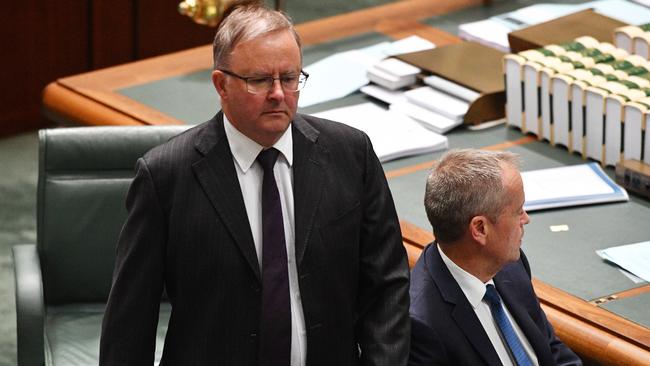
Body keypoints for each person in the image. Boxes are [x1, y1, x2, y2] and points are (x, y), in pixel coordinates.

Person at [99, 1, 410, 365]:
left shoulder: (350, 154)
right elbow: (130, 320)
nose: (278, 93)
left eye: (290, 78)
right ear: (221, 84)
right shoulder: (166, 176)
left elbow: (388, 283)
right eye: (260, 80)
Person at [409, 149, 581, 366]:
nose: (526, 219)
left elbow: (550, 349)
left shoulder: (510, 266)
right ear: (480, 228)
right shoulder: (422, 326)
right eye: (518, 211)